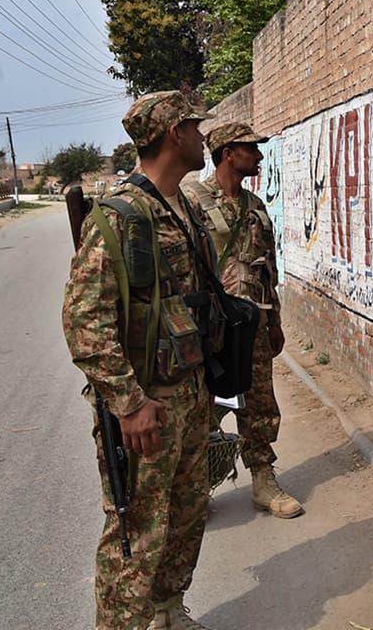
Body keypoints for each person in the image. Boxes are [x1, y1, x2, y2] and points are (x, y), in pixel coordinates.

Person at [63, 90, 219, 630]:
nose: (204, 137)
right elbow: (84, 321)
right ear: (174, 133)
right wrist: (128, 404)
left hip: (191, 394)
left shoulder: (185, 207)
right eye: (196, 127)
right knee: (137, 534)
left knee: (187, 515)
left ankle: (168, 613)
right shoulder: (123, 216)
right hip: (147, 406)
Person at [182, 122, 302, 519]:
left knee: (259, 403)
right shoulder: (192, 202)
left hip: (251, 328)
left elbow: (269, 269)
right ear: (228, 153)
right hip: (207, 328)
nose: (260, 156)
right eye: (252, 149)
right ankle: (192, 489)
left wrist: (275, 321)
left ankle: (263, 480)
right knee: (200, 407)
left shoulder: (255, 207)